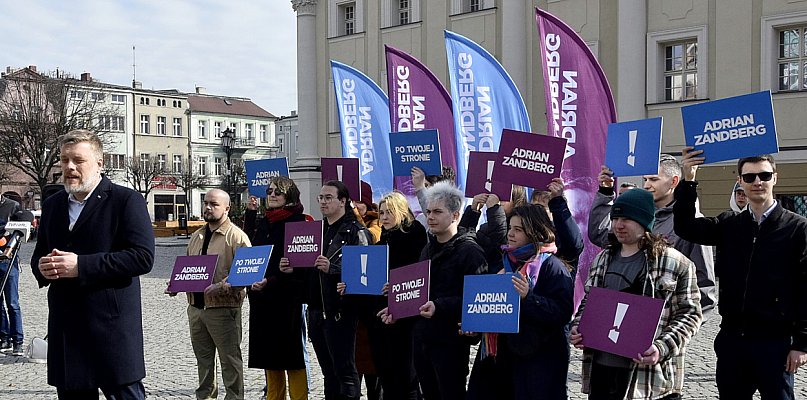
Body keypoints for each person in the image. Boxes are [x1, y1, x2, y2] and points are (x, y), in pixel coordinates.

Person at [31, 129, 155, 399]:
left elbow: (142, 257)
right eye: (64, 160)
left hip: (110, 329)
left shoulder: (125, 200)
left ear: (99, 163)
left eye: (78, 160)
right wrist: (42, 267)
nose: (70, 167)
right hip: (67, 329)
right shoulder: (53, 205)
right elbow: (39, 254)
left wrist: (81, 266)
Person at [674, 150, 807, 399]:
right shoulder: (729, 224)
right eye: (750, 177)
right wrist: (689, 179)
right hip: (733, 340)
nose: (758, 182)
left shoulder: (797, 228)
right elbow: (685, 227)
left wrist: (801, 343)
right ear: (740, 181)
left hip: (775, 342)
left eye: (764, 175)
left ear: (774, 178)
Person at [571, 188, 702, 399]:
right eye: (615, 218)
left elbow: (690, 314)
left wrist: (662, 347)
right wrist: (578, 326)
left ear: (644, 222)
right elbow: (588, 301)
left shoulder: (675, 263)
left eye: (627, 218)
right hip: (602, 372)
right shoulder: (602, 259)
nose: (619, 225)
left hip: (649, 379)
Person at [467, 205, 574, 400]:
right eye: (510, 228)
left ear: (535, 231)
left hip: (537, 363)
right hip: (502, 362)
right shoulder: (505, 263)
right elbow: (495, 309)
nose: (510, 234)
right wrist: (476, 323)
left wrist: (528, 298)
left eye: (518, 230)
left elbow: (563, 312)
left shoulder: (552, 266)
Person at [588, 155, 717, 316]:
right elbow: (600, 234)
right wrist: (606, 192)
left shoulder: (691, 223)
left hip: (663, 325)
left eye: (654, 179)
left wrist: (679, 330)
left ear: (674, 181)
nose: (647, 185)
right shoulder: (637, 218)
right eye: (645, 180)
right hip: (624, 317)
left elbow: (703, 286)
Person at [284, 181, 371, 400]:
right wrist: (293, 267)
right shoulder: (316, 231)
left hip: (341, 312)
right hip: (316, 310)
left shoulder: (356, 231)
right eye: (320, 198)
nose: (323, 202)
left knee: (346, 372)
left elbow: (365, 272)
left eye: (328, 197)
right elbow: (309, 271)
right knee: (328, 373)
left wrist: (333, 269)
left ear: (343, 201)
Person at [406, 181, 487, 400]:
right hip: (422, 338)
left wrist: (440, 306)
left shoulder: (470, 251)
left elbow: (477, 301)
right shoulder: (428, 247)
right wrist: (397, 301)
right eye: (429, 211)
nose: (430, 216)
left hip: (450, 342)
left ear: (455, 216)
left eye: (437, 212)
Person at [170, 189, 251, 400]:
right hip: (196, 309)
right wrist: (176, 284)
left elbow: (247, 273)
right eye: (206, 203)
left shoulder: (237, 237)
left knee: (230, 363)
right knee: (204, 363)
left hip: (223, 310)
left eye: (214, 204)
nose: (208, 207)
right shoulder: (197, 235)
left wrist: (222, 286)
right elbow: (189, 269)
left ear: (227, 208)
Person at [243, 178, 309, 400]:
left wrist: (271, 280)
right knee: (268, 356)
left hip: (286, 298)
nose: (271, 195)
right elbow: (251, 252)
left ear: (289, 195)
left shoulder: (300, 222)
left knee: (292, 357)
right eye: (269, 191)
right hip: (261, 299)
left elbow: (301, 264)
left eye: (277, 192)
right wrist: (250, 215)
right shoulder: (264, 221)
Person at [0, 193, 23, 356]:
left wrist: (9, 247)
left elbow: (20, 230)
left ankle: (17, 340)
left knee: (12, 303)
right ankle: (4, 338)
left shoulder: (12, 206)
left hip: (7, 260)